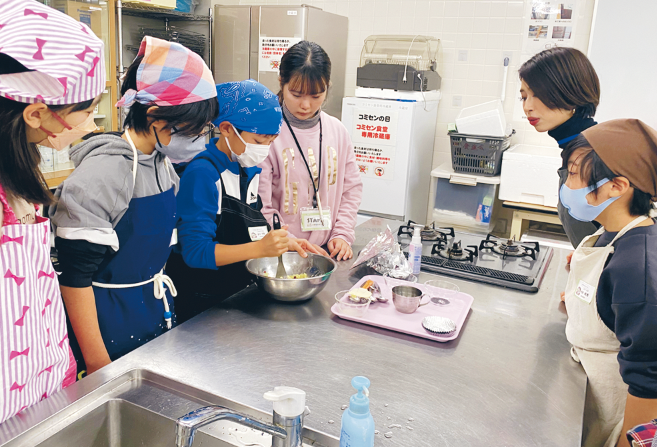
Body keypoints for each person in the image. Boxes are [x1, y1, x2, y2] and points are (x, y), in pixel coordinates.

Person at [49, 36, 218, 376]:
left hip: (149, 310)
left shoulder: (159, 161)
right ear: (156, 118)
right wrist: (100, 366)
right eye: (195, 128)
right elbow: (74, 277)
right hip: (105, 324)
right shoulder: (107, 170)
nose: (201, 136)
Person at [0, 0, 105, 422]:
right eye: (84, 110)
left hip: (44, 391)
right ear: (36, 113)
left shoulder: (20, 171)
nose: (90, 120)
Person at [167, 80, 324, 323]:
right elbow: (195, 252)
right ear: (227, 129)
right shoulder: (203, 174)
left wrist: (283, 242)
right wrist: (260, 249)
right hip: (202, 308)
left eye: (270, 142)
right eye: (259, 142)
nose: (264, 149)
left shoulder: (247, 171)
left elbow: (246, 230)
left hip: (234, 299)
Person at [560, 119, 657, 447]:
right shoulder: (610, 232)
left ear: (617, 186)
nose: (567, 184)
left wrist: (627, 444)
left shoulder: (636, 265)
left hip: (617, 420)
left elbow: (649, 381)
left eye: (574, 174)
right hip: (586, 393)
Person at [258, 41, 363, 261]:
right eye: (296, 95)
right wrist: (284, 241)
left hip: (328, 251)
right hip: (280, 253)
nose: (306, 105)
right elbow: (259, 204)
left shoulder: (337, 131)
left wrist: (342, 234)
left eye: (316, 96)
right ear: (281, 82)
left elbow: (350, 189)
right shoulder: (265, 134)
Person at [519, 47, 601, 248]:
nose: (527, 107)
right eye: (523, 97)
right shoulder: (575, 145)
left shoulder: (595, 153)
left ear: (570, 93)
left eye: (537, 95)